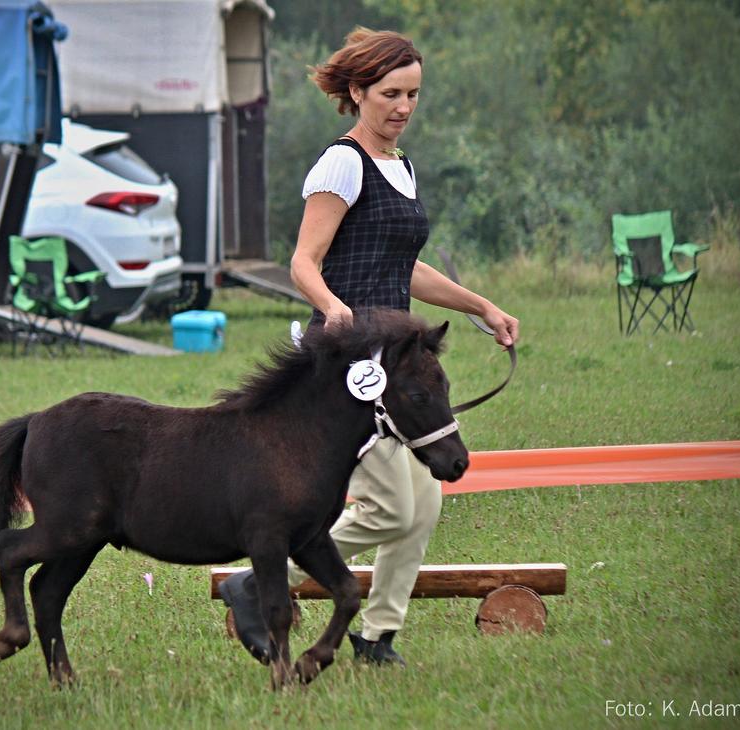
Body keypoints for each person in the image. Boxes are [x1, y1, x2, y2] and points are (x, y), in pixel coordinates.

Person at [220, 27, 519, 667]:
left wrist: (482, 307)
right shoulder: (342, 163)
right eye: (390, 94)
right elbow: (304, 261)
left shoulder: (400, 166)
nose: (403, 107)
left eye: (412, 94)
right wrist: (331, 307)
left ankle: (377, 636)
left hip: (397, 361)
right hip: (343, 367)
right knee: (390, 507)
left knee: (425, 504)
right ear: (357, 92)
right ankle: (257, 576)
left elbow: (403, 266)